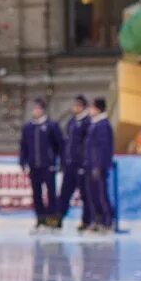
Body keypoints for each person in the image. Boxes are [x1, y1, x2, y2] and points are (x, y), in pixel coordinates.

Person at [18, 98, 64, 230]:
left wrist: (59, 161)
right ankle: (40, 218)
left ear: (43, 110)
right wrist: (23, 162)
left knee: (51, 194)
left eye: (38, 108)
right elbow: (23, 146)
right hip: (34, 166)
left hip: (48, 166)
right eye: (34, 109)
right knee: (36, 194)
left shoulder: (51, 126)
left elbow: (59, 145)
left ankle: (52, 219)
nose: (35, 111)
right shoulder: (28, 127)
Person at [55, 95, 91, 230]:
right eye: (74, 105)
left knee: (85, 194)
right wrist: (64, 161)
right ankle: (58, 218)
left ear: (83, 107)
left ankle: (87, 220)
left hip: (81, 165)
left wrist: (85, 162)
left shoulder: (88, 123)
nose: (74, 108)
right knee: (64, 193)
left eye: (78, 106)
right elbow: (67, 144)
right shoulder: (71, 122)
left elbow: (87, 146)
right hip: (69, 165)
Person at [82, 96, 115, 231]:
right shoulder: (93, 124)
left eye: (92, 107)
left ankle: (107, 221)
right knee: (92, 195)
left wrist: (98, 166)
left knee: (101, 194)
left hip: (98, 167)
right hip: (90, 165)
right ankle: (98, 219)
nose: (89, 110)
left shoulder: (103, 125)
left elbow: (103, 148)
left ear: (98, 109)